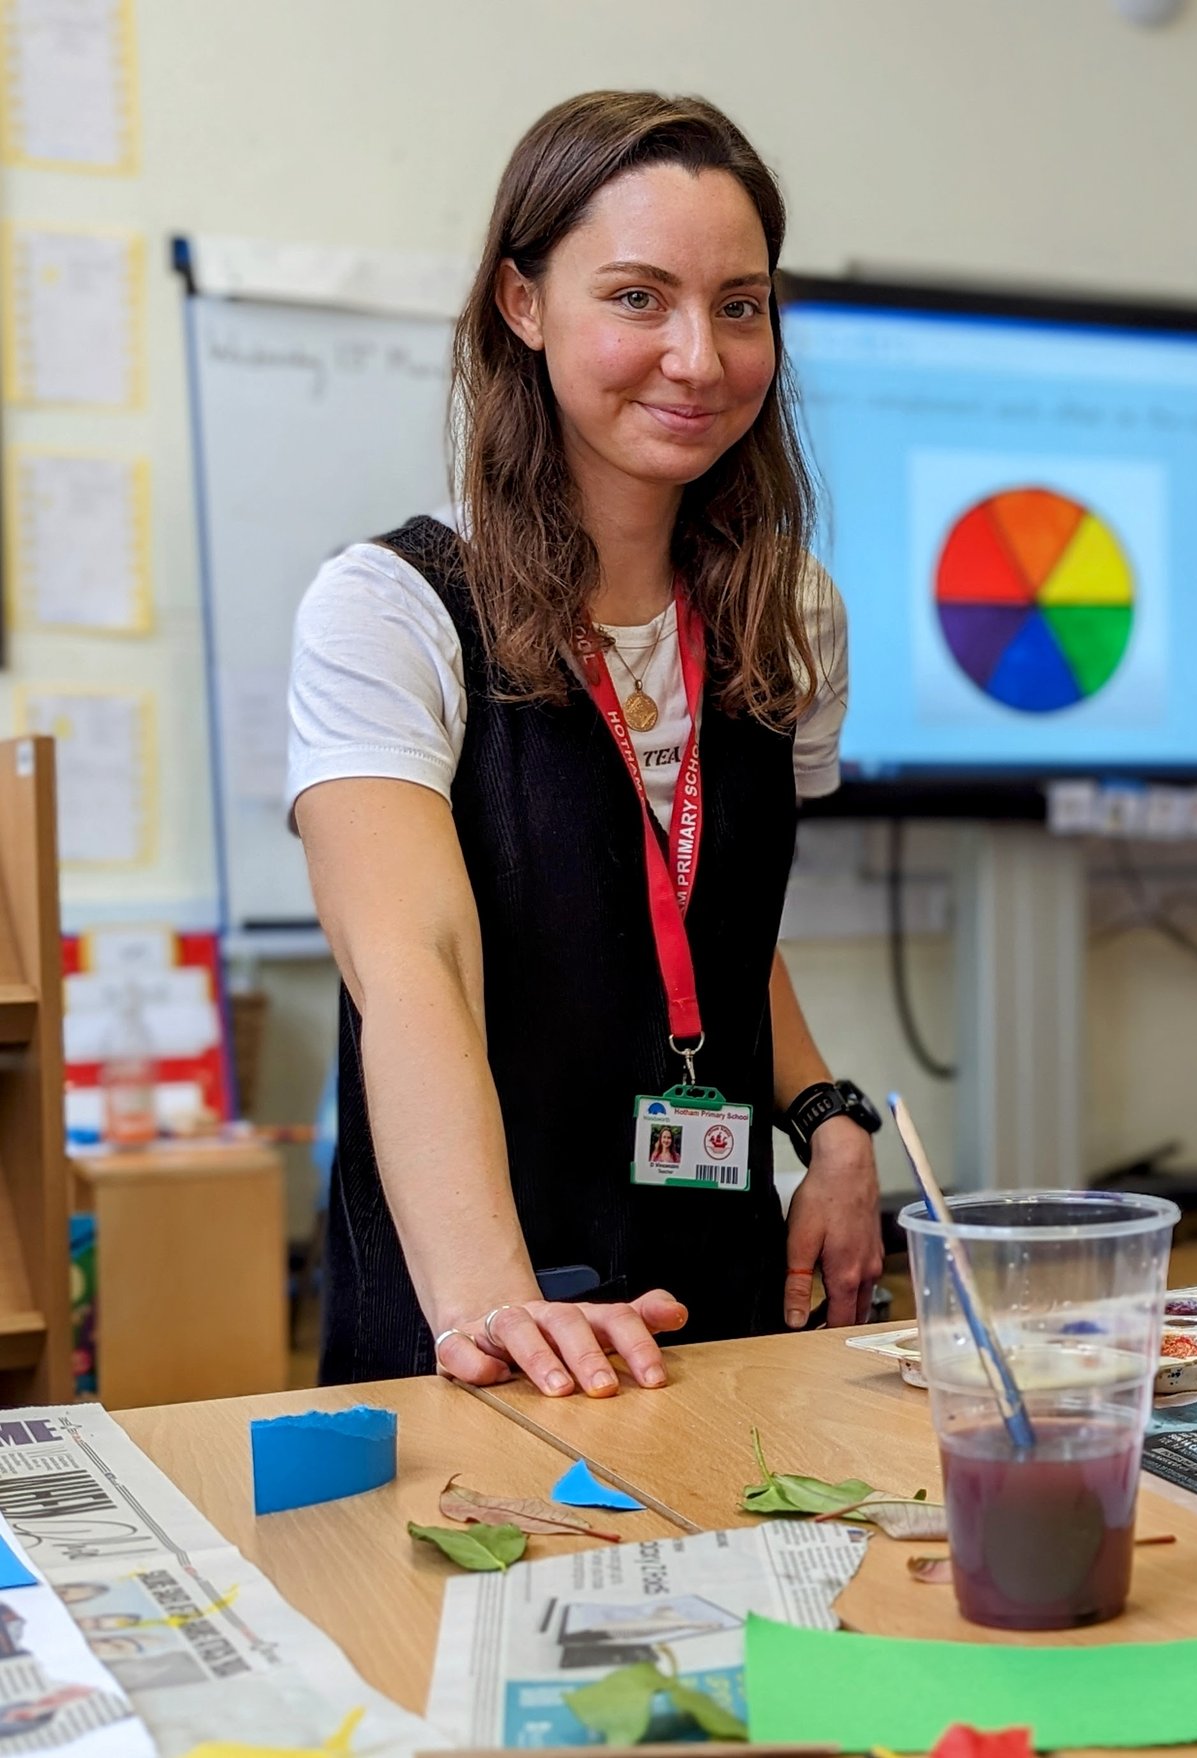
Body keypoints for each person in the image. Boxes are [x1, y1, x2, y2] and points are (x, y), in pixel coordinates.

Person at [290, 92, 889, 1392]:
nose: (699, 357)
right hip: (475, 1329)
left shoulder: (790, 613)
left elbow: (713, 927)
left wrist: (826, 1118)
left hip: (720, 1313)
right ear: (522, 303)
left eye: (740, 305)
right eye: (636, 298)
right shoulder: (391, 609)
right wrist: (494, 1302)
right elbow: (413, 966)